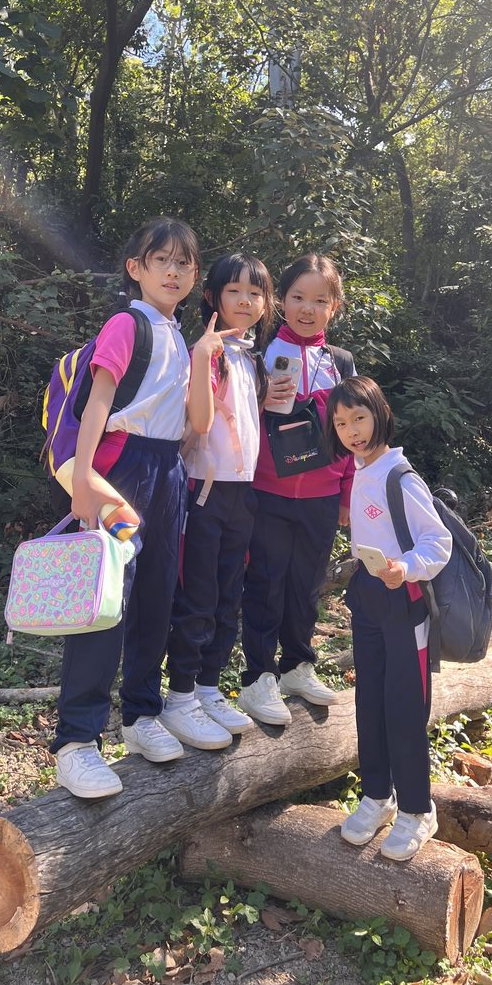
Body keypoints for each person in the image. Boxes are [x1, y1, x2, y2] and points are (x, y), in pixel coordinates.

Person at [54, 217, 229, 799]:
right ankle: (77, 741)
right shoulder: (126, 323)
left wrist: (203, 357)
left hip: (168, 471)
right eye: (162, 260)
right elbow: (98, 402)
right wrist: (84, 478)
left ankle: (141, 714)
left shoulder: (182, 337)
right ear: (137, 268)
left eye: (185, 263)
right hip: (122, 469)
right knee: (105, 598)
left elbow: (195, 422)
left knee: (156, 593)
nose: (174, 271)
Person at [325, 376, 452, 861]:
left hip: (404, 602)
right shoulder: (359, 471)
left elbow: (437, 543)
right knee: (370, 702)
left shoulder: (401, 477)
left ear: (380, 414)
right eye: (341, 423)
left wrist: (406, 568)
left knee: (404, 707)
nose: (352, 431)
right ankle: (378, 796)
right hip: (368, 598)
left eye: (359, 418)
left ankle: (418, 809)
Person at [160, 253, 276, 749]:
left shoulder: (249, 357)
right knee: (198, 597)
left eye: (255, 292)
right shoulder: (206, 353)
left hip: (241, 495)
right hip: (203, 492)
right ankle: (180, 696)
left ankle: (208, 688)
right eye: (234, 291)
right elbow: (199, 422)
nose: (245, 300)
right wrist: (204, 356)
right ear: (212, 297)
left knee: (229, 596)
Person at [239, 253, 355, 726]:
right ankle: (258, 677)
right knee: (265, 582)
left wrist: (347, 492)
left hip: (322, 495)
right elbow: (234, 422)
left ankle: (297, 665)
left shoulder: (341, 363)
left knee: (307, 584)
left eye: (320, 300)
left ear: (334, 307)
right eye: (298, 297)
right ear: (280, 302)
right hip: (266, 491)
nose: (308, 309)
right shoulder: (257, 353)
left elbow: (353, 430)